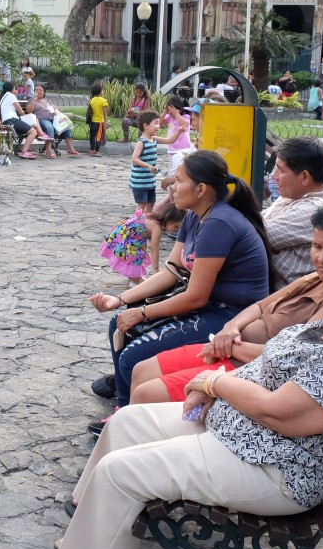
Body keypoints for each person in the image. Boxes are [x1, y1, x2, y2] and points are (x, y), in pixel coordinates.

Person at [56, 230, 323, 549]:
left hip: (275, 468)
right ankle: (90, 525)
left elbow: (280, 413)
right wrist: (217, 387)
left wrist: (214, 384)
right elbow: (273, 365)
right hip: (243, 435)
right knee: (126, 422)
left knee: (120, 471)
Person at [130, 200, 323, 405]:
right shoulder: (314, 278)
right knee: (142, 370)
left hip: (252, 368)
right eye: (317, 246)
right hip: (230, 348)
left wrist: (229, 347)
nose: (321, 257)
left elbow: (290, 356)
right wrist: (231, 328)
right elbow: (260, 306)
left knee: (147, 393)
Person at [88, 150, 271, 405]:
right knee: (118, 323)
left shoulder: (219, 223)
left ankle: (127, 412)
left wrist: (142, 313)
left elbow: (195, 297)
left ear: (201, 189)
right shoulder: (195, 216)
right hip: (208, 307)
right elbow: (171, 272)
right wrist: (120, 300)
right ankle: (124, 400)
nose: (172, 187)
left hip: (230, 316)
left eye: (179, 180)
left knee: (133, 355)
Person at [263, 137, 323, 287]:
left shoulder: (315, 210)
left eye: (280, 170)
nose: (274, 176)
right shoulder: (291, 198)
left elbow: (250, 235)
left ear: (304, 177)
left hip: (288, 297)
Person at [101, 206, 185, 287]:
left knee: (138, 252)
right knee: (136, 256)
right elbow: (154, 249)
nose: (176, 230)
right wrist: (156, 270)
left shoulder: (153, 217)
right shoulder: (157, 228)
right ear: (168, 220)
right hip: (127, 236)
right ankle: (135, 282)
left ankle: (134, 276)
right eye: (176, 226)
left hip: (125, 232)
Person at [0, 81, 49, 159]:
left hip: (8, 121)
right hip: (11, 120)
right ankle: (24, 152)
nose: (16, 90)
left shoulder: (3, 96)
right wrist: (26, 118)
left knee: (34, 119)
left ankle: (42, 134)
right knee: (33, 132)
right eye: (15, 88)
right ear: (12, 88)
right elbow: (21, 111)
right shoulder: (11, 96)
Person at [28, 86, 81, 156]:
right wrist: (34, 100)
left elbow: (55, 108)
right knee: (49, 128)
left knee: (66, 128)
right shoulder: (32, 101)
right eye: (36, 90)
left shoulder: (47, 101)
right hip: (41, 120)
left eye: (40, 90)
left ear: (44, 92)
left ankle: (71, 149)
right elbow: (29, 111)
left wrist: (55, 111)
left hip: (54, 119)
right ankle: (49, 150)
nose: (38, 91)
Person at [159, 96, 193, 171]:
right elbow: (159, 123)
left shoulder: (185, 116)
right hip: (172, 147)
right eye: (168, 109)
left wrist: (176, 114)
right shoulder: (169, 117)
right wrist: (164, 112)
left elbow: (185, 125)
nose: (169, 112)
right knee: (173, 168)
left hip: (183, 148)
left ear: (179, 109)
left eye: (171, 109)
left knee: (181, 168)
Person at [87, 84, 109, 156]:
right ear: (100, 92)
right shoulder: (103, 101)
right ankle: (95, 151)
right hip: (99, 122)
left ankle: (91, 149)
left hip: (93, 121)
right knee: (98, 137)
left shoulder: (92, 100)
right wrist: (105, 122)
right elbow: (104, 113)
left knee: (92, 136)